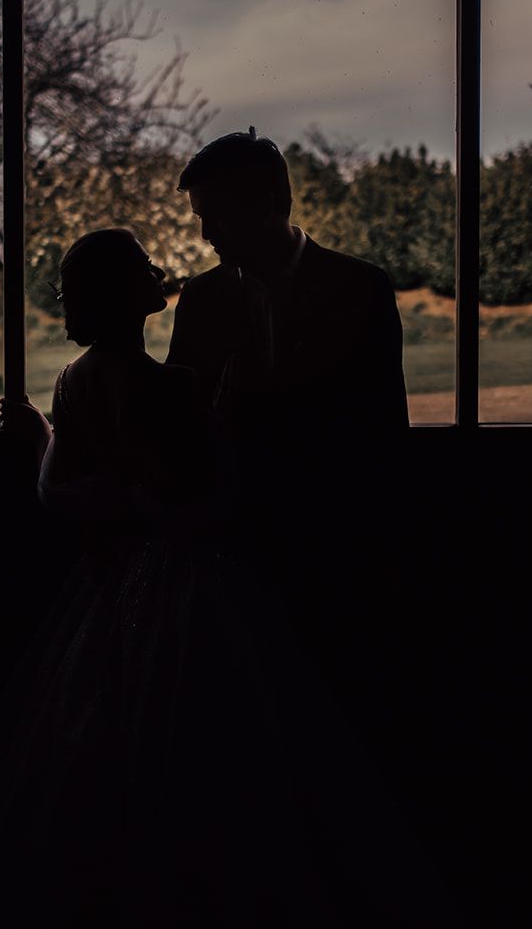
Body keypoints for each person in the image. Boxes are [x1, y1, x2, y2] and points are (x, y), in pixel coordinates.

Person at [0, 229, 462, 928]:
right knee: (220, 748)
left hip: (107, 584)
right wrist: (219, 435)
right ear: (138, 296)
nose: (164, 271)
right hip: (188, 583)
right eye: (148, 269)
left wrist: (40, 439)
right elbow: (210, 505)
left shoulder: (72, 381)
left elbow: (59, 492)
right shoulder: (175, 388)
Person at [165, 127, 411, 742]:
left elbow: (385, 431)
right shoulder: (198, 301)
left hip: (338, 544)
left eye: (214, 214)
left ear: (271, 200)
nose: (205, 234)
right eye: (200, 217)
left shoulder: (361, 289)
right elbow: (184, 425)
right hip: (236, 551)